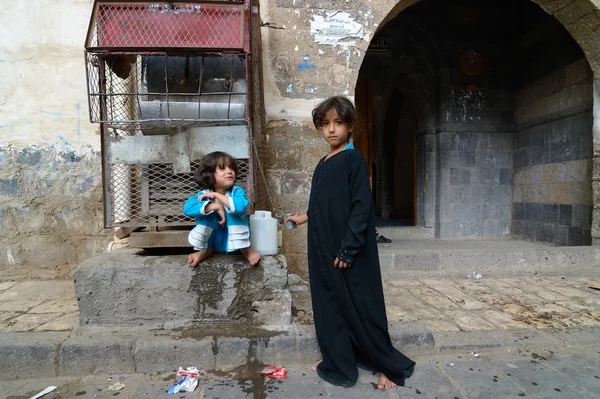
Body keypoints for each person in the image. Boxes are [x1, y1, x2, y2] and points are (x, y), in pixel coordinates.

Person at [285, 96, 415, 390]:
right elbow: (321, 203)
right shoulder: (323, 162)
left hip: (346, 249)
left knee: (362, 305)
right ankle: (339, 361)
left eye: (338, 123)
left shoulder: (353, 159)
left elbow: (361, 207)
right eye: (326, 124)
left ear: (350, 126)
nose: (332, 130)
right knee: (331, 304)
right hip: (322, 246)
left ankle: (390, 368)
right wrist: (303, 217)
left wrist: (349, 247)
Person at [183, 151, 261, 267]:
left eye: (231, 168)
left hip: (237, 244)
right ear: (209, 174)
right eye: (222, 168)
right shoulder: (204, 194)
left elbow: (240, 206)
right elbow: (188, 208)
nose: (229, 171)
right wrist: (215, 206)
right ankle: (205, 250)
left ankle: (246, 250)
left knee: (234, 210)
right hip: (213, 242)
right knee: (206, 213)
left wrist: (217, 196)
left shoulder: (237, 192)